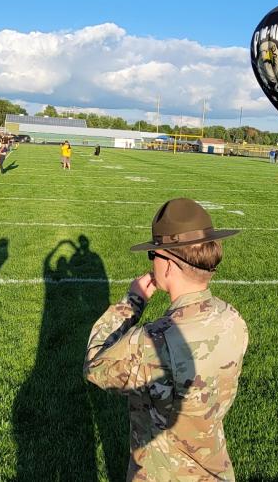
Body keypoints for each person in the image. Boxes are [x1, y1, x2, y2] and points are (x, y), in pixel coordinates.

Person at [85, 198, 249, 479]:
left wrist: (132, 301)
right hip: (214, 470)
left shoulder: (154, 340)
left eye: (154, 254)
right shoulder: (232, 318)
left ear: (170, 264)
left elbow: (95, 367)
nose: (152, 261)